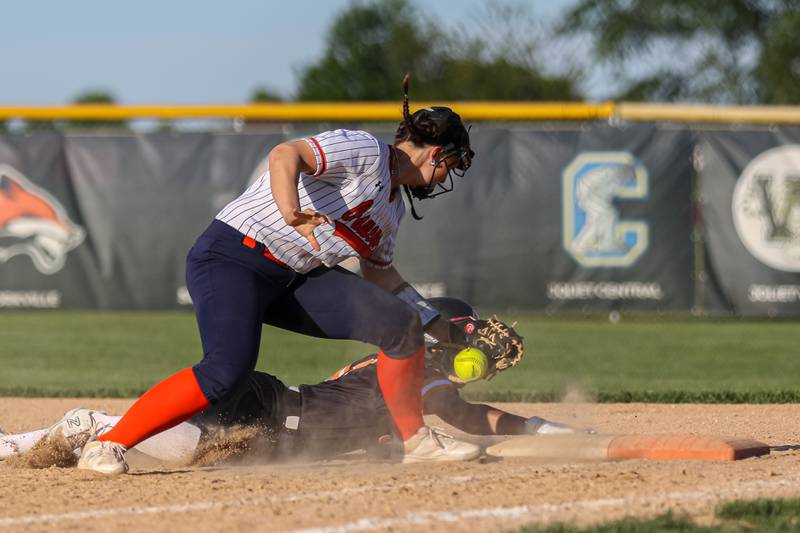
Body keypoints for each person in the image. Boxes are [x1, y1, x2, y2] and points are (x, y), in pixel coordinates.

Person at [76, 75, 479, 474]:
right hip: (234, 256)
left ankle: (416, 440)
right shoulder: (367, 151)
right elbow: (285, 154)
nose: (446, 177)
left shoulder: (392, 210)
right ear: (438, 154)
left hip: (294, 276)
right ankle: (109, 444)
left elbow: (383, 277)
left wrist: (441, 327)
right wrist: (291, 212)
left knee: (400, 324)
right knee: (225, 372)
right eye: (452, 166)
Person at [1, 299, 584, 466]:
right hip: (274, 413)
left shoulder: (394, 365)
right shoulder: (421, 376)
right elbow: (464, 416)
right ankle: (96, 426)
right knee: (183, 450)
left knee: (187, 447)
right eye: (466, 336)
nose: (473, 343)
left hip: (278, 409)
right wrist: (542, 427)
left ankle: (18, 443)